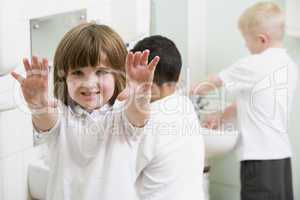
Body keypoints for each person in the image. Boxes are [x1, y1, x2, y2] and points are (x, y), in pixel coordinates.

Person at [11, 23, 159, 200]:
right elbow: (45, 120)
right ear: (64, 78)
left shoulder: (121, 117)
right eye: (78, 73)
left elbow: (137, 115)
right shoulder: (62, 117)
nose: (89, 83)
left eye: (101, 72)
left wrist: (140, 94)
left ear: (117, 76)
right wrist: (38, 104)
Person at [190, 2, 298, 200]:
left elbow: (213, 82)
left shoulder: (253, 64)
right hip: (281, 158)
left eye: (246, 40)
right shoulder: (289, 65)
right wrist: (221, 116)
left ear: (261, 39)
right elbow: (257, 103)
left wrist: (177, 91)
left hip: (259, 160)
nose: (246, 46)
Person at [128, 35, 205, 199]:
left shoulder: (147, 121)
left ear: (145, 82)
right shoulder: (185, 106)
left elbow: (122, 175)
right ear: (177, 77)